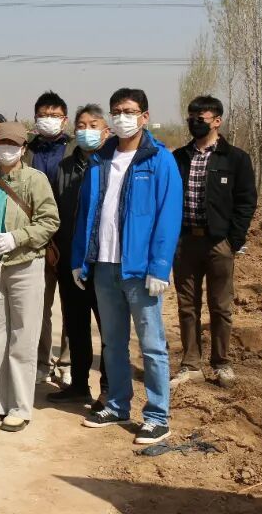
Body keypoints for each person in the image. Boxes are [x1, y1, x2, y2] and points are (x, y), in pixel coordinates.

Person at [72, 88, 182, 446]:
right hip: (104, 266)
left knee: (152, 345)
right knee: (113, 343)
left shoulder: (159, 160)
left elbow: (168, 217)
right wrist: (79, 258)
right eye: (117, 111)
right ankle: (118, 405)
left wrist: (160, 267)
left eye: (129, 111)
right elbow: (86, 213)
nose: (122, 117)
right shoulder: (100, 159)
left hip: (140, 270)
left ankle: (157, 416)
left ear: (144, 117)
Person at [0, 121, 60, 432]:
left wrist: (18, 238)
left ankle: (19, 405)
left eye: (13, 144)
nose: (6, 149)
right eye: (2, 143)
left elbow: (49, 220)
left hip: (25, 265)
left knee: (23, 336)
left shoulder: (35, 180)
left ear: (23, 148)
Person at [171, 95, 257, 390]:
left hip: (219, 243)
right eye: (191, 117)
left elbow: (246, 201)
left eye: (201, 118)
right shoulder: (179, 157)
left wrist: (233, 240)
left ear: (217, 121)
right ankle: (190, 364)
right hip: (185, 242)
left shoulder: (236, 159)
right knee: (187, 306)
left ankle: (221, 363)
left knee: (220, 306)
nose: (194, 122)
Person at [47, 105, 109, 408]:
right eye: (81, 125)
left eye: (93, 125)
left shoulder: (112, 163)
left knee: (109, 328)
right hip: (70, 259)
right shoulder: (64, 167)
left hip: (104, 260)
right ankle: (79, 384)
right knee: (76, 324)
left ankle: (109, 389)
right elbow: (54, 209)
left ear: (106, 130)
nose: (86, 130)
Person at [26, 91, 74, 385]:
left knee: (71, 304)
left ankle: (66, 362)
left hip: (67, 237)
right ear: (35, 119)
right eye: (43, 115)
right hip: (35, 237)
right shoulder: (26, 150)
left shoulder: (75, 149)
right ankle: (41, 361)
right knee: (38, 306)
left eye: (54, 116)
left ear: (64, 120)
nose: (49, 120)